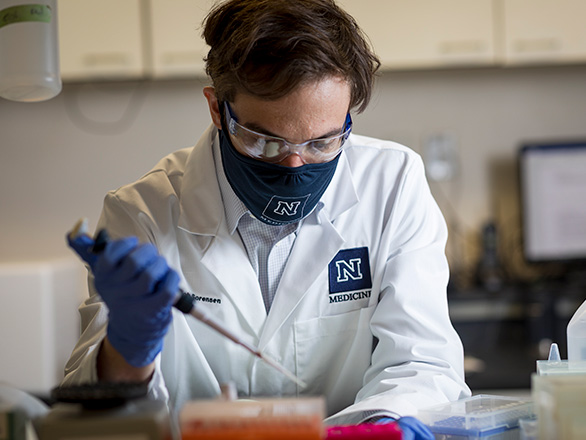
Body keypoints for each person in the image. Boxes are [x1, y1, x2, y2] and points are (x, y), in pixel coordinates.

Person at [64, 0, 470, 436]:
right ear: (218, 109)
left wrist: (384, 425)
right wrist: (129, 347)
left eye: (324, 141)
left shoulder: (392, 184)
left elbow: (423, 362)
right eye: (266, 142)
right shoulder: (142, 213)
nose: (296, 165)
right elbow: (96, 421)